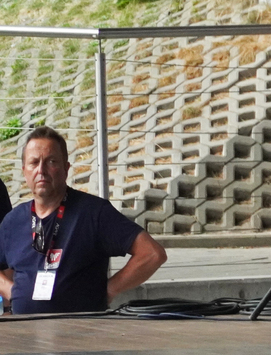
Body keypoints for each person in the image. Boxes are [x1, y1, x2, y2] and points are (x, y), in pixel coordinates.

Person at [0, 128, 166, 314]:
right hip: (24, 328)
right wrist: (11, 291)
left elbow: (152, 253)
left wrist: (109, 290)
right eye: (34, 163)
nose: (41, 170)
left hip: (81, 329)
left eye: (51, 161)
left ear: (66, 168)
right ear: (24, 171)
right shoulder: (13, 221)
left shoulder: (94, 212)